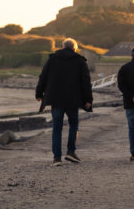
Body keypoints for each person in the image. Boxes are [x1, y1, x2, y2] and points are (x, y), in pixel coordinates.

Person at [36, 38, 93, 166]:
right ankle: (70, 152)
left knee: (57, 128)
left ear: (62, 47)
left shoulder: (52, 59)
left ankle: (57, 158)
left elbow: (43, 77)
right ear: (74, 48)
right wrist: (88, 100)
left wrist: (38, 93)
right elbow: (86, 82)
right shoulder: (80, 61)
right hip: (73, 100)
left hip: (56, 100)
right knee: (73, 126)